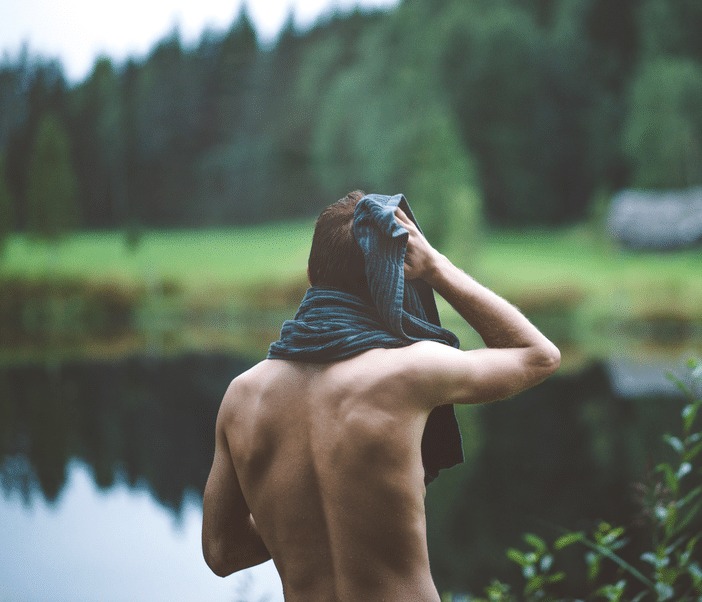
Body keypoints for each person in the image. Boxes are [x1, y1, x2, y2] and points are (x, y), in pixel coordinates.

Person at [201, 191, 561, 602]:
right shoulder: (412, 371)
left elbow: (221, 552)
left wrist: (294, 520)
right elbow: (538, 357)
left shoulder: (242, 397)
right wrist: (436, 268)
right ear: (391, 276)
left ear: (311, 272)